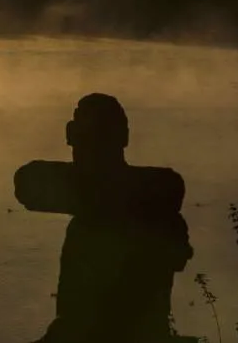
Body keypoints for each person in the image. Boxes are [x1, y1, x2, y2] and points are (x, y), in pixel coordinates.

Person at [19, 93, 195, 343]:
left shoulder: (152, 209)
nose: (81, 149)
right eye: (80, 138)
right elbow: (26, 184)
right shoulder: (154, 202)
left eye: (92, 139)